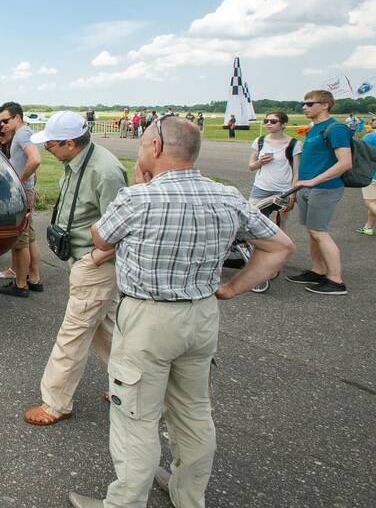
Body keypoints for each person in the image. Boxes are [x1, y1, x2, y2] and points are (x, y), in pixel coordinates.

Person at [66, 117, 294, 508]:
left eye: (141, 145)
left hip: (148, 319)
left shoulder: (138, 198)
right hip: (202, 315)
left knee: (135, 416)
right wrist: (233, 287)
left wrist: (140, 185)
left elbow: (101, 236)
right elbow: (280, 246)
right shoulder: (227, 196)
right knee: (193, 413)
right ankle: (189, 496)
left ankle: (124, 503)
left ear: (155, 148)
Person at [21, 111, 127, 426]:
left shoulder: (105, 171)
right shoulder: (76, 161)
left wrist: (94, 259)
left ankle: (56, 403)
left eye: (51, 145)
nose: (48, 152)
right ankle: (128, 387)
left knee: (74, 333)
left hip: (94, 262)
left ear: (69, 143)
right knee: (106, 330)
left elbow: (121, 226)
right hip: (82, 258)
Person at [285, 90, 353, 295]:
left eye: (309, 103)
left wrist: (315, 180)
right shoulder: (314, 129)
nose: (304, 107)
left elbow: (345, 163)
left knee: (319, 232)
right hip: (307, 188)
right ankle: (318, 270)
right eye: (303, 103)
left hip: (324, 188)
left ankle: (335, 280)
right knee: (312, 231)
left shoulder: (336, 129)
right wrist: (297, 188)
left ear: (325, 105)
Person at [243, 111, 298, 292]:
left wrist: (292, 194)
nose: (268, 124)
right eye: (266, 121)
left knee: (278, 225)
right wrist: (259, 162)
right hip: (260, 187)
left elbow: (296, 172)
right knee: (250, 222)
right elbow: (251, 166)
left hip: (283, 189)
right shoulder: (260, 141)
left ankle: (277, 259)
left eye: (273, 121)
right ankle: (254, 258)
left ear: (283, 124)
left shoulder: (294, 145)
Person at [0, 102, 43, 297]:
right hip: (28, 191)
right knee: (29, 237)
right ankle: (34, 278)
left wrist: (19, 182)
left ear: (17, 118)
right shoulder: (26, 133)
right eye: (1, 121)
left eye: (6, 121)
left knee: (20, 239)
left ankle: (20, 284)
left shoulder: (22, 134)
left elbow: (35, 159)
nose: (3, 125)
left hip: (23, 192)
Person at [359, 118, 376, 236]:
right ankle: (368, 227)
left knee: (370, 202)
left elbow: (358, 152)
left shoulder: (369, 137)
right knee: (374, 202)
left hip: (372, 174)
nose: (372, 121)